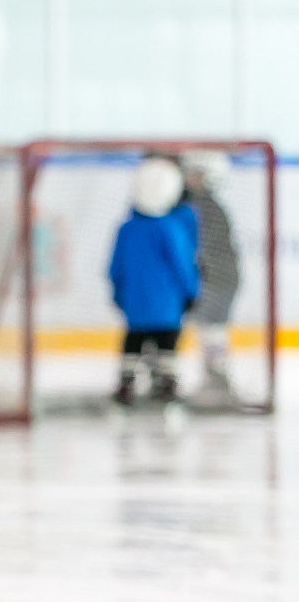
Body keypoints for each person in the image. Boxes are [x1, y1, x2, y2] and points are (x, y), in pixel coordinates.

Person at [108, 155, 198, 407]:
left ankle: (126, 383)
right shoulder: (171, 228)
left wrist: (118, 293)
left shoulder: (127, 228)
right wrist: (192, 292)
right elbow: (183, 267)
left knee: (133, 343)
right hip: (167, 306)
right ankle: (166, 383)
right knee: (167, 344)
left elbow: (116, 267)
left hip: (135, 305)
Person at [180, 149, 241, 408]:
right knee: (210, 332)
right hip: (215, 279)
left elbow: (200, 250)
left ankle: (218, 382)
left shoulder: (203, 207)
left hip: (217, 281)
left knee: (212, 332)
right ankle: (215, 380)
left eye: (194, 173)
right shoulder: (198, 204)